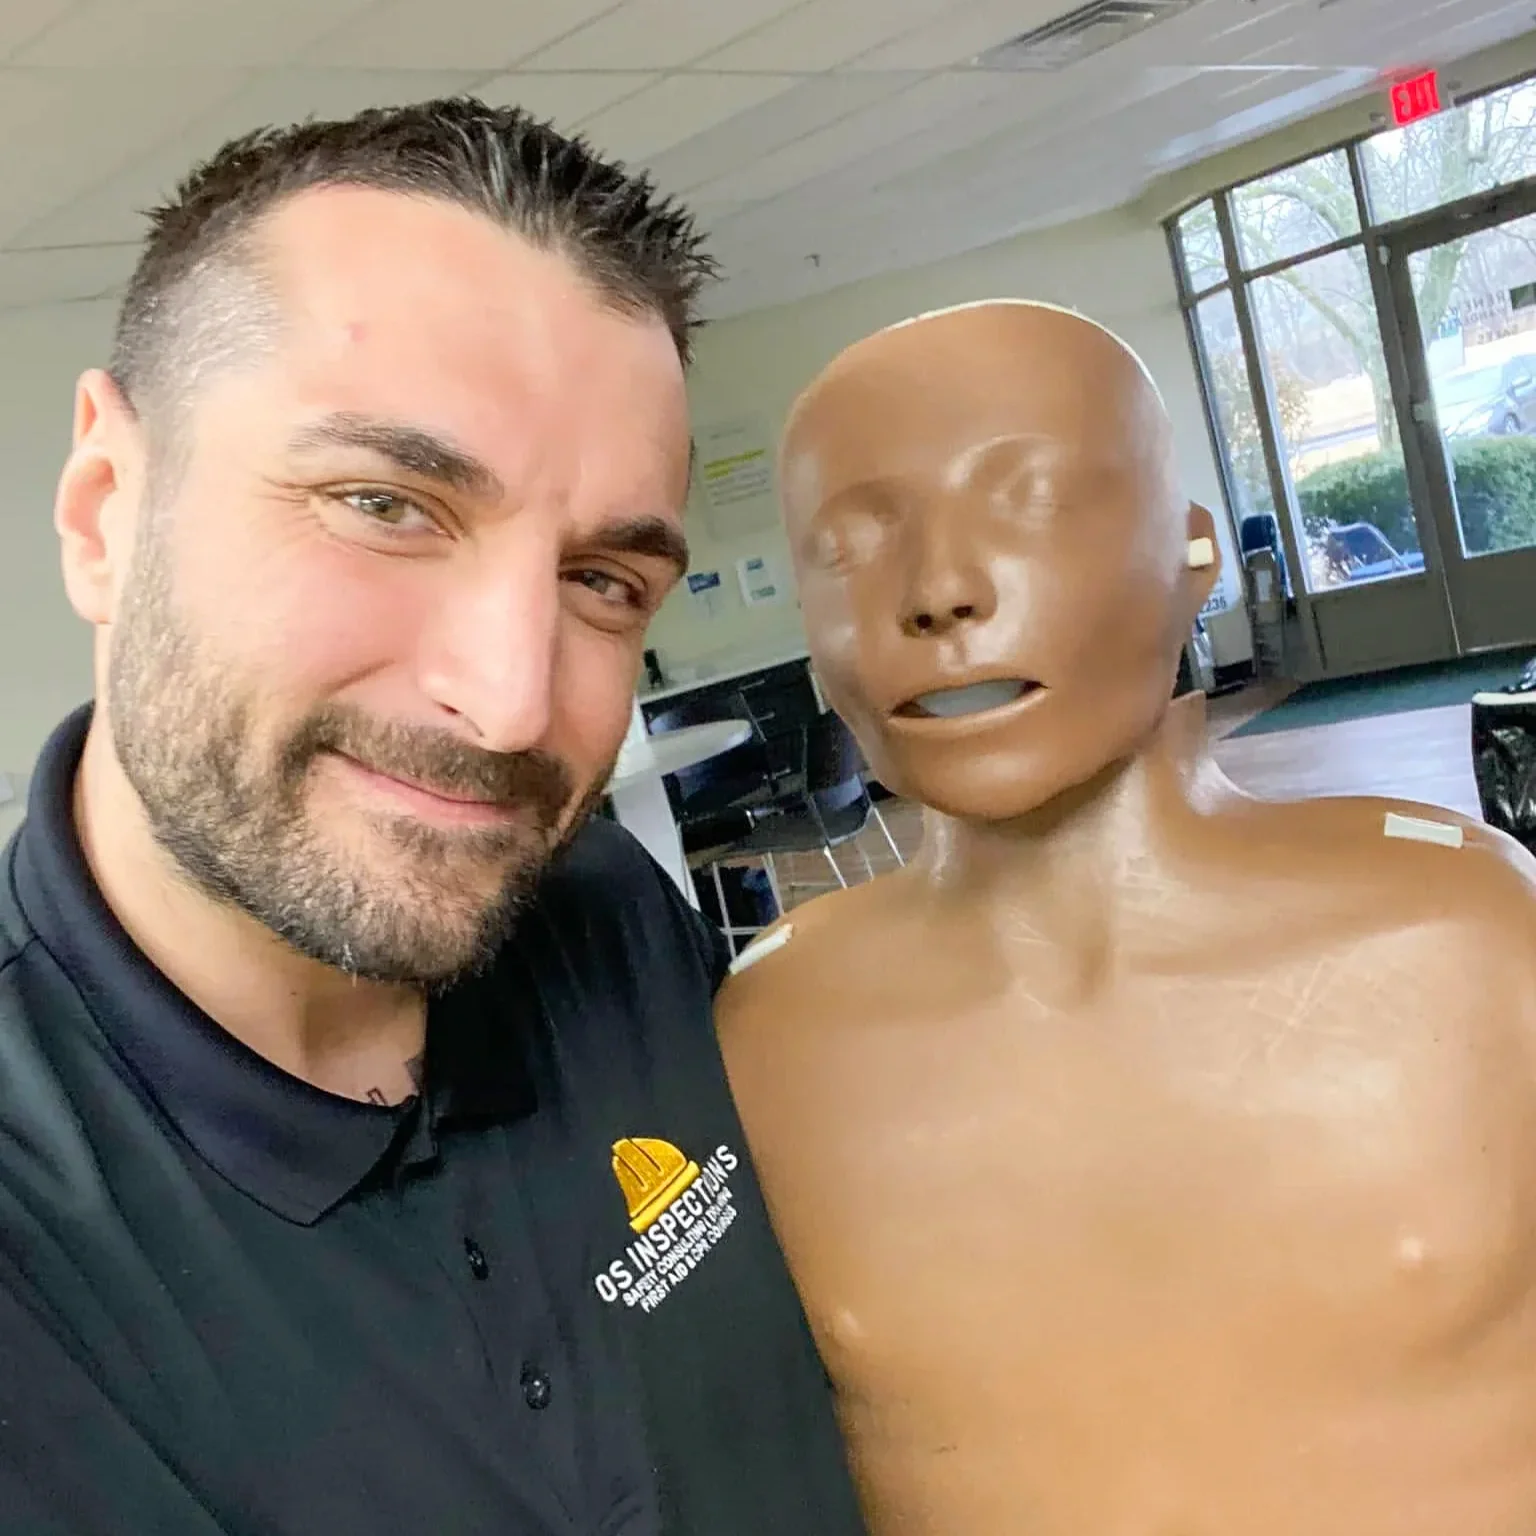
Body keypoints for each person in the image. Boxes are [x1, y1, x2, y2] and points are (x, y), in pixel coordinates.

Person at [0, 98, 867, 1536]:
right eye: (384, 503)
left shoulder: (607, 914)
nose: (512, 703)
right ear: (104, 510)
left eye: (602, 581)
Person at [716, 299, 1536, 1535]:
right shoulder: (768, 1040)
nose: (938, 589)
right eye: (854, 542)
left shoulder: (1463, 935)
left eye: (1031, 497)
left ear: (1193, 550)